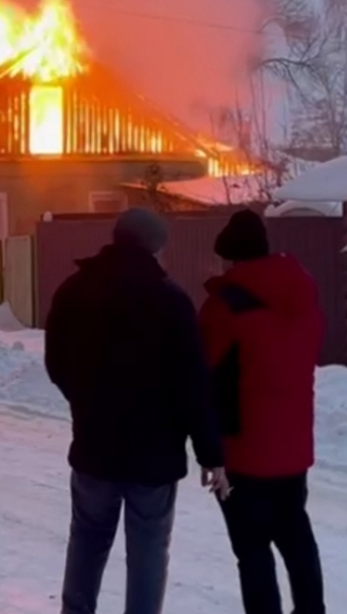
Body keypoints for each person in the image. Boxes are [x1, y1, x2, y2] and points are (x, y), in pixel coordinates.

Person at [45, 207, 228, 614]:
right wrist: (210, 454)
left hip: (94, 445)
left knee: (87, 541)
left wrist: (85, 401)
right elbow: (192, 385)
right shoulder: (170, 299)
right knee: (147, 551)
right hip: (155, 455)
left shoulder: (74, 290)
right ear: (155, 245)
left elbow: (56, 362)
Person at [200, 209, 326, 614]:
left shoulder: (224, 309)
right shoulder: (304, 301)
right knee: (296, 538)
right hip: (293, 447)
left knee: (252, 550)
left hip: (243, 452)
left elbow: (204, 372)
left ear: (231, 258)